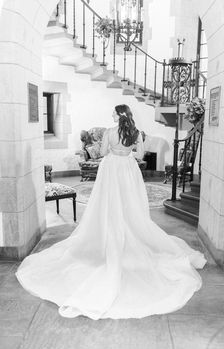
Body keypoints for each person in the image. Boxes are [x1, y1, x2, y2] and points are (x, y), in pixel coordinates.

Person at [16, 104, 206, 320]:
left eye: (113, 112)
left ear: (119, 114)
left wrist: (115, 151)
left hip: (111, 167)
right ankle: (129, 228)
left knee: (109, 200)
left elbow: (105, 152)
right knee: (129, 202)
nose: (111, 114)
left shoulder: (109, 132)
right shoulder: (135, 132)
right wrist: (127, 152)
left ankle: (111, 228)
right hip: (128, 168)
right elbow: (141, 154)